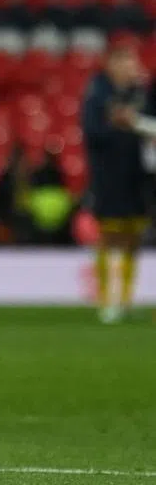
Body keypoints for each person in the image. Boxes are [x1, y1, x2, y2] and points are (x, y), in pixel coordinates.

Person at [81, 43, 147, 324]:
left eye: (131, 61)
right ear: (110, 64)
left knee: (134, 237)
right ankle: (107, 300)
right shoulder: (97, 94)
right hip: (109, 175)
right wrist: (119, 124)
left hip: (139, 175)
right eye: (123, 61)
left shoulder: (142, 93)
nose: (129, 67)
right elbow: (93, 133)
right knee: (110, 237)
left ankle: (126, 299)